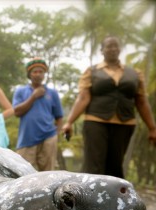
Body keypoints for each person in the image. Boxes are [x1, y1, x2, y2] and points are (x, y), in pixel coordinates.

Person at [62, 36, 156, 178]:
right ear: (102, 50)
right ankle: (89, 198)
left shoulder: (134, 74)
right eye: (109, 46)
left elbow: (142, 102)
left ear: (120, 49)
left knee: (115, 166)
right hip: (95, 121)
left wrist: (152, 128)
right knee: (94, 165)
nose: (113, 49)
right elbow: (83, 98)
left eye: (116, 46)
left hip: (125, 123)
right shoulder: (91, 72)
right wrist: (69, 122)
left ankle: (113, 199)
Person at [13, 58, 64, 171]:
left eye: (41, 72)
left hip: (48, 137)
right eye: (34, 72)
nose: (38, 74)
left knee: (48, 173)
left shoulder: (52, 93)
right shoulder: (21, 91)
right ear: (29, 74)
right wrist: (34, 96)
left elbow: (59, 117)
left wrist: (56, 135)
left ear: (44, 74)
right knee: (23, 172)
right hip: (27, 138)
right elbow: (17, 112)